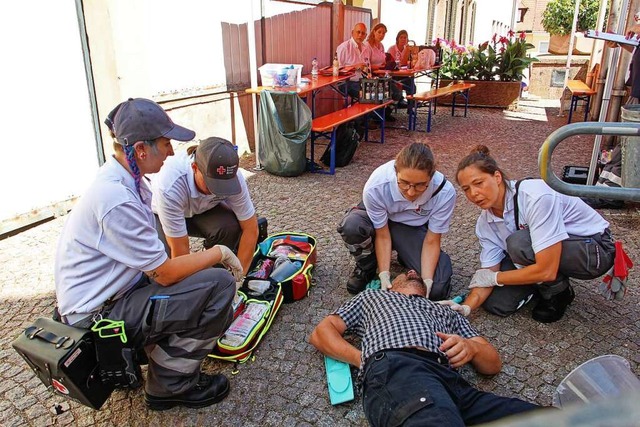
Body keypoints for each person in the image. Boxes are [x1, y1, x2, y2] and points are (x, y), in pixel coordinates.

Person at [55, 98, 243, 410]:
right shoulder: (117, 198)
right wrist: (219, 253)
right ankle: (170, 385)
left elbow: (162, 265)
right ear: (142, 149)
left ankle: (156, 356)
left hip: (114, 295)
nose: (171, 151)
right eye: (166, 143)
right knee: (220, 285)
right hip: (96, 316)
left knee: (199, 282)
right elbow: (166, 273)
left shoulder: (124, 180)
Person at [309, 271, 540, 426]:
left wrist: (471, 348)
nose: (412, 271)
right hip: (399, 369)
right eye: (405, 271)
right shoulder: (374, 297)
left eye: (415, 271)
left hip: (453, 385)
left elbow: (493, 365)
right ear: (391, 286)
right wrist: (363, 360)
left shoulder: (447, 311)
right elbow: (322, 332)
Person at [451, 145, 616, 323]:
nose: (474, 194)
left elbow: (546, 270)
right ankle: (534, 281)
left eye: (478, 183)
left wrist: (495, 278)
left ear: (497, 177)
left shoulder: (535, 197)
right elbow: (488, 272)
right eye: (466, 189)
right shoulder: (485, 223)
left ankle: (558, 292)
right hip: (541, 252)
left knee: (519, 243)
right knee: (496, 304)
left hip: (594, 249)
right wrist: (465, 308)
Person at [337, 143, 455, 298]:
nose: (411, 192)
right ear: (395, 172)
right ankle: (367, 265)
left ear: (431, 177)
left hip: (410, 226)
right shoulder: (377, 185)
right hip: (380, 223)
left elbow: (432, 240)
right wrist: (384, 274)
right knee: (352, 225)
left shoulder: (444, 192)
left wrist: (426, 282)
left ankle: (405, 253)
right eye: (404, 183)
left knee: (437, 289)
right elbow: (383, 234)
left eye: (420, 186)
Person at [150, 137, 261, 275]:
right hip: (160, 214)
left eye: (224, 185)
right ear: (195, 168)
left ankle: (217, 275)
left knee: (229, 227)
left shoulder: (233, 176)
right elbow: (180, 253)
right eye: (212, 183)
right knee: (163, 263)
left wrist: (241, 274)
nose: (217, 190)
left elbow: (251, 228)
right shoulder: (170, 185)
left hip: (201, 210)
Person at [364, 23, 402, 121]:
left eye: (383, 33)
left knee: (398, 92)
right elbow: (366, 65)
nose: (381, 35)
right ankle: (376, 116)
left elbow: (384, 61)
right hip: (372, 76)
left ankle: (385, 113)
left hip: (383, 74)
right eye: (379, 32)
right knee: (388, 91)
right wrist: (378, 67)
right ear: (374, 32)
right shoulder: (368, 46)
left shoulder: (381, 46)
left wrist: (386, 66)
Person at [337, 22, 369, 100]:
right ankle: (365, 112)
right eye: (358, 32)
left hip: (363, 80)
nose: (360, 35)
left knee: (381, 93)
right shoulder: (344, 47)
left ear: (365, 36)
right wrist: (354, 67)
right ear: (352, 33)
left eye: (363, 33)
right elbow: (337, 70)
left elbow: (368, 67)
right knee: (368, 95)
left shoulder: (366, 48)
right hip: (347, 82)